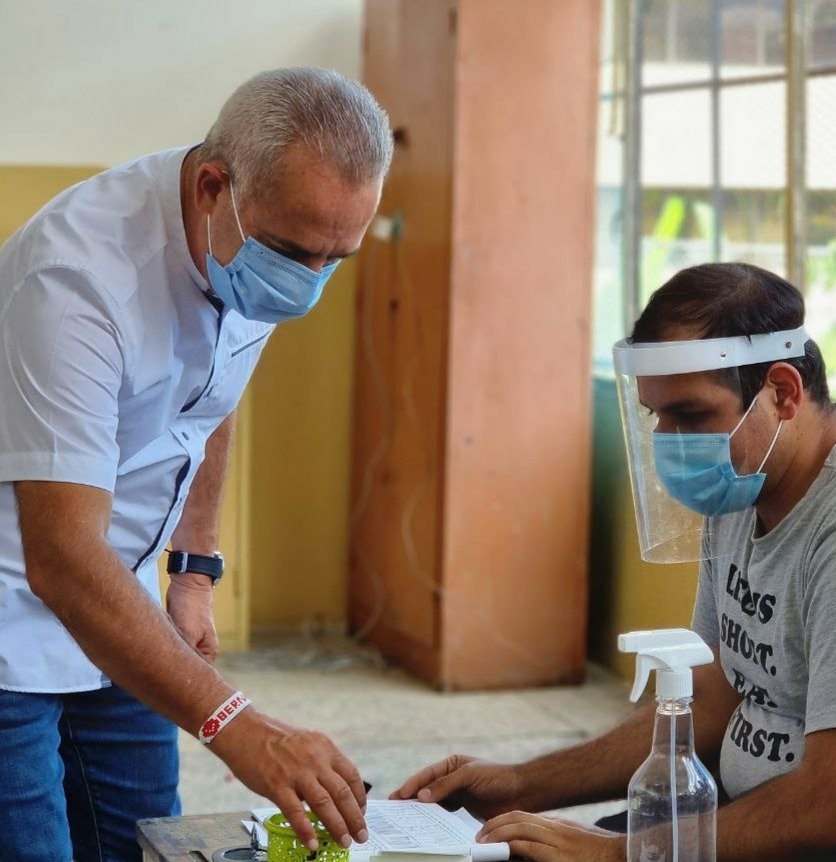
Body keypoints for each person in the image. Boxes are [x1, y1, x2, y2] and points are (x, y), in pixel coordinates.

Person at [0, 67, 392, 862]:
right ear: (215, 186)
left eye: (336, 258)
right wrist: (234, 723)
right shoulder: (75, 282)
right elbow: (61, 560)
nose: (310, 281)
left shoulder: (258, 236)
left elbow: (210, 399)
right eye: (296, 252)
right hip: (15, 608)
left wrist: (192, 571)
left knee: (152, 842)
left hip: (120, 598)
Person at [392, 263, 836, 861]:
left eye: (693, 415)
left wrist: (617, 853)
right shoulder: (744, 479)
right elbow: (709, 700)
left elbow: (827, 803)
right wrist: (522, 784)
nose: (674, 443)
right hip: (730, 808)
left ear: (781, 392)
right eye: (659, 418)